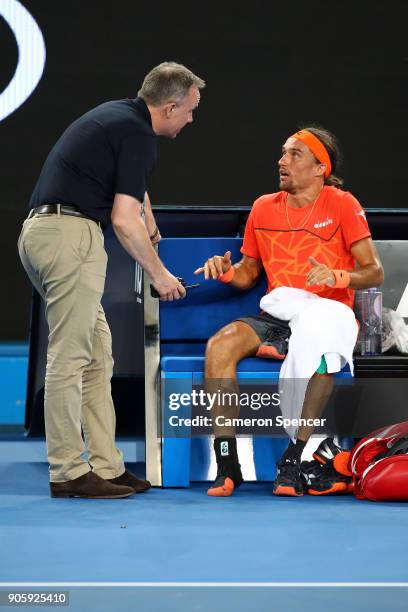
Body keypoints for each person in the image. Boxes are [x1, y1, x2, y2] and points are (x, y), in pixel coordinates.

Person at [18, 62, 205, 498]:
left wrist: (152, 224)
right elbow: (123, 220)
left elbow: (133, 191)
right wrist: (159, 275)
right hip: (70, 237)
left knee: (98, 355)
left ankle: (107, 465)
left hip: (45, 234)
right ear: (172, 106)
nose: (192, 119)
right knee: (70, 358)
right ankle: (67, 470)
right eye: (191, 110)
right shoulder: (137, 133)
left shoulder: (123, 118)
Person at [194, 126, 384, 497]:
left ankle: (293, 460)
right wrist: (226, 270)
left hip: (328, 309)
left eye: (295, 154)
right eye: (283, 153)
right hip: (278, 314)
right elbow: (248, 274)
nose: (282, 162)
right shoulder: (263, 208)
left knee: (322, 353)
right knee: (220, 345)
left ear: (319, 168)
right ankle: (227, 463)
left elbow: (374, 270)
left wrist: (336, 275)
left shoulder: (342, 204)